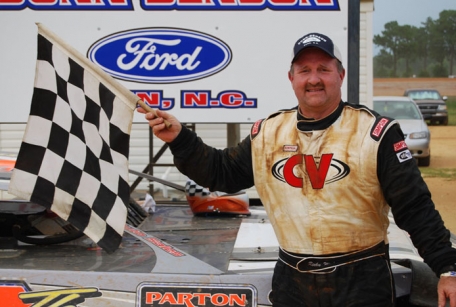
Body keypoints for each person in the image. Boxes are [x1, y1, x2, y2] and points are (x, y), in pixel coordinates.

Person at [137, 32, 456, 306]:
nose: (314, 78)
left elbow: (414, 206)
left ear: (340, 75)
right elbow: (221, 173)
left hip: (362, 278)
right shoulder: (268, 133)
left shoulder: (376, 132)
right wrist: (180, 139)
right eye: (304, 70)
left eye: (323, 69)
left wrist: (447, 268)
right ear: (291, 78)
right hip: (293, 279)